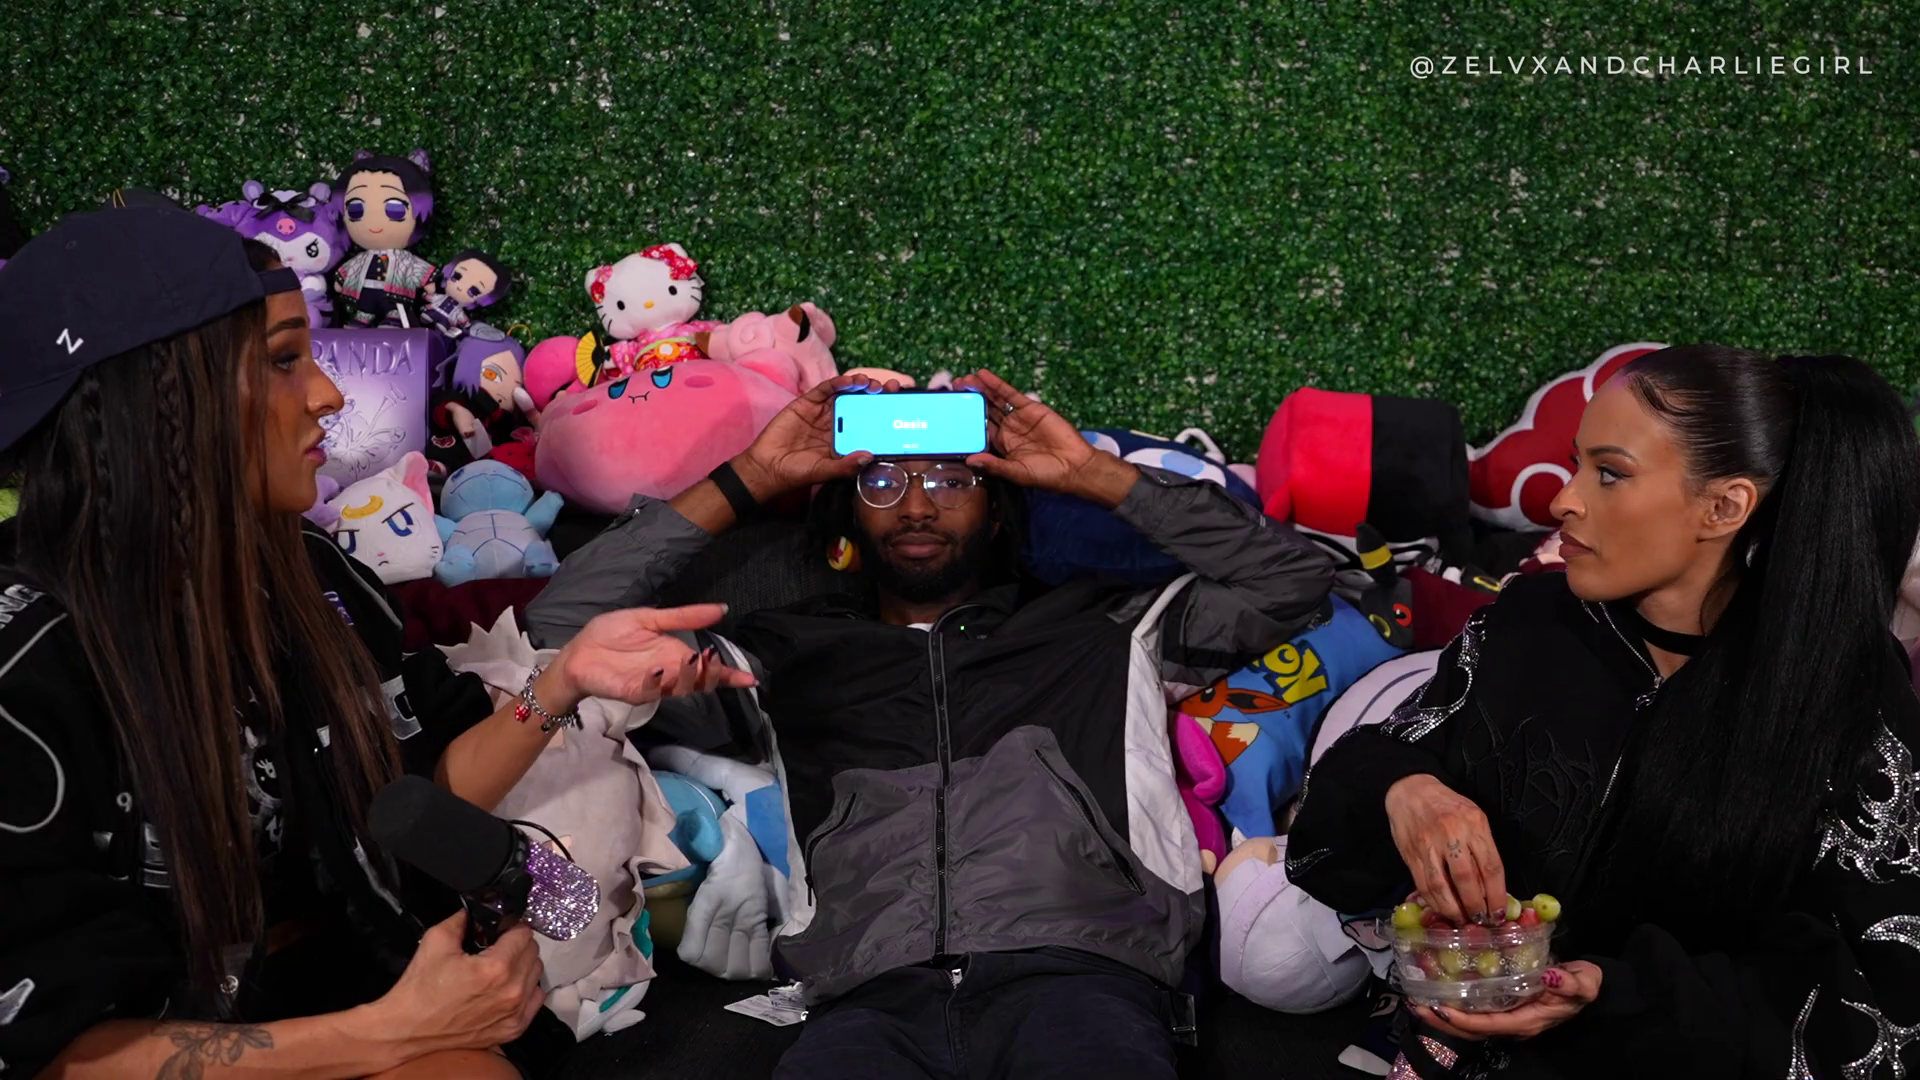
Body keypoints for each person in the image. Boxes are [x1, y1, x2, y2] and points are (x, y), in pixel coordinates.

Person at [0, 205, 753, 1080]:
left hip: (344, 987)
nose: (328, 395)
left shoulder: (308, 568)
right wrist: (391, 1031)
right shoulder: (27, 672)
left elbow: (411, 790)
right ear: (154, 400)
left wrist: (563, 682)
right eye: (284, 360)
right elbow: (48, 1047)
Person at [526, 371, 1335, 1078]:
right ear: (849, 515)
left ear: (998, 508)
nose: (916, 505)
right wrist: (753, 477)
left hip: (1082, 979)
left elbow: (1294, 580)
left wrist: (1092, 474)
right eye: (882, 482)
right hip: (866, 997)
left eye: (951, 480)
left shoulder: (1104, 630)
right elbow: (563, 628)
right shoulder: (782, 654)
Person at [1286, 344, 1920, 1078]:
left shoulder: (1847, 697)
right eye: (1575, 465)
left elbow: (1882, 1005)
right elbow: (1349, 802)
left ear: (1725, 506)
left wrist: (1615, 995)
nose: (1564, 501)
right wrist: (1407, 791)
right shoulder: (1527, 623)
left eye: (1610, 473)